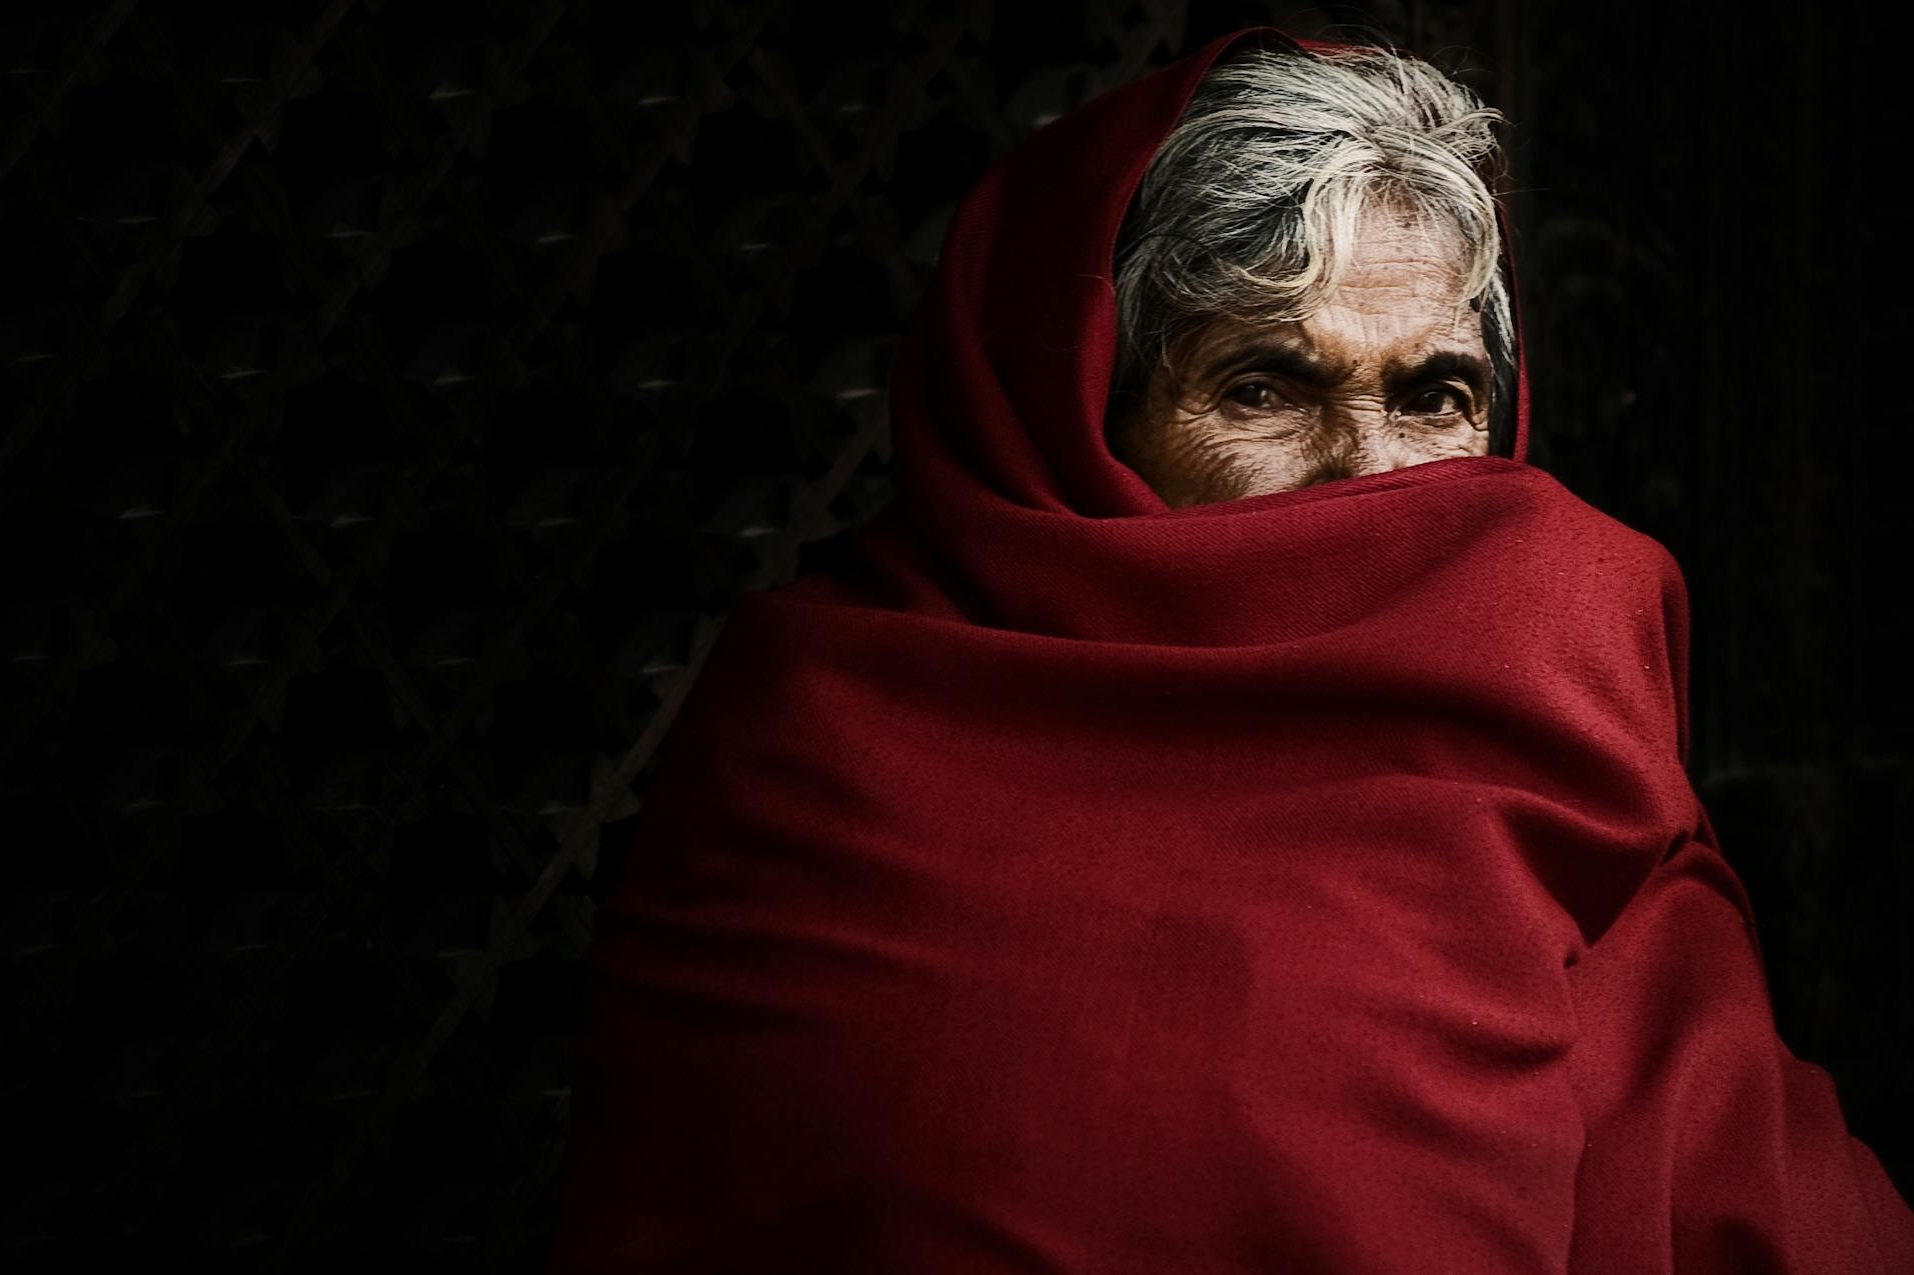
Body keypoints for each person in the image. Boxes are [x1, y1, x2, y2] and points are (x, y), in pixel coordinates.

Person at [544, 26, 1914, 1273]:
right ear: (1075, 411)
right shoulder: (823, 739)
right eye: (1262, 386)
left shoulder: (1557, 717)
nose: (1366, 476)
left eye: (1436, 395)